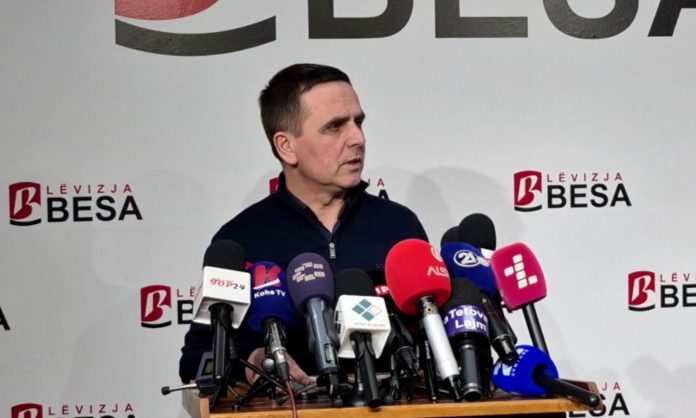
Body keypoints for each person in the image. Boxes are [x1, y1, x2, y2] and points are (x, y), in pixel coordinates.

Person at [179, 63, 428, 385]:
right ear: (286, 146)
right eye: (335, 127)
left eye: (358, 122)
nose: (358, 138)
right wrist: (253, 363)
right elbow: (196, 360)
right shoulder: (240, 239)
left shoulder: (400, 225)